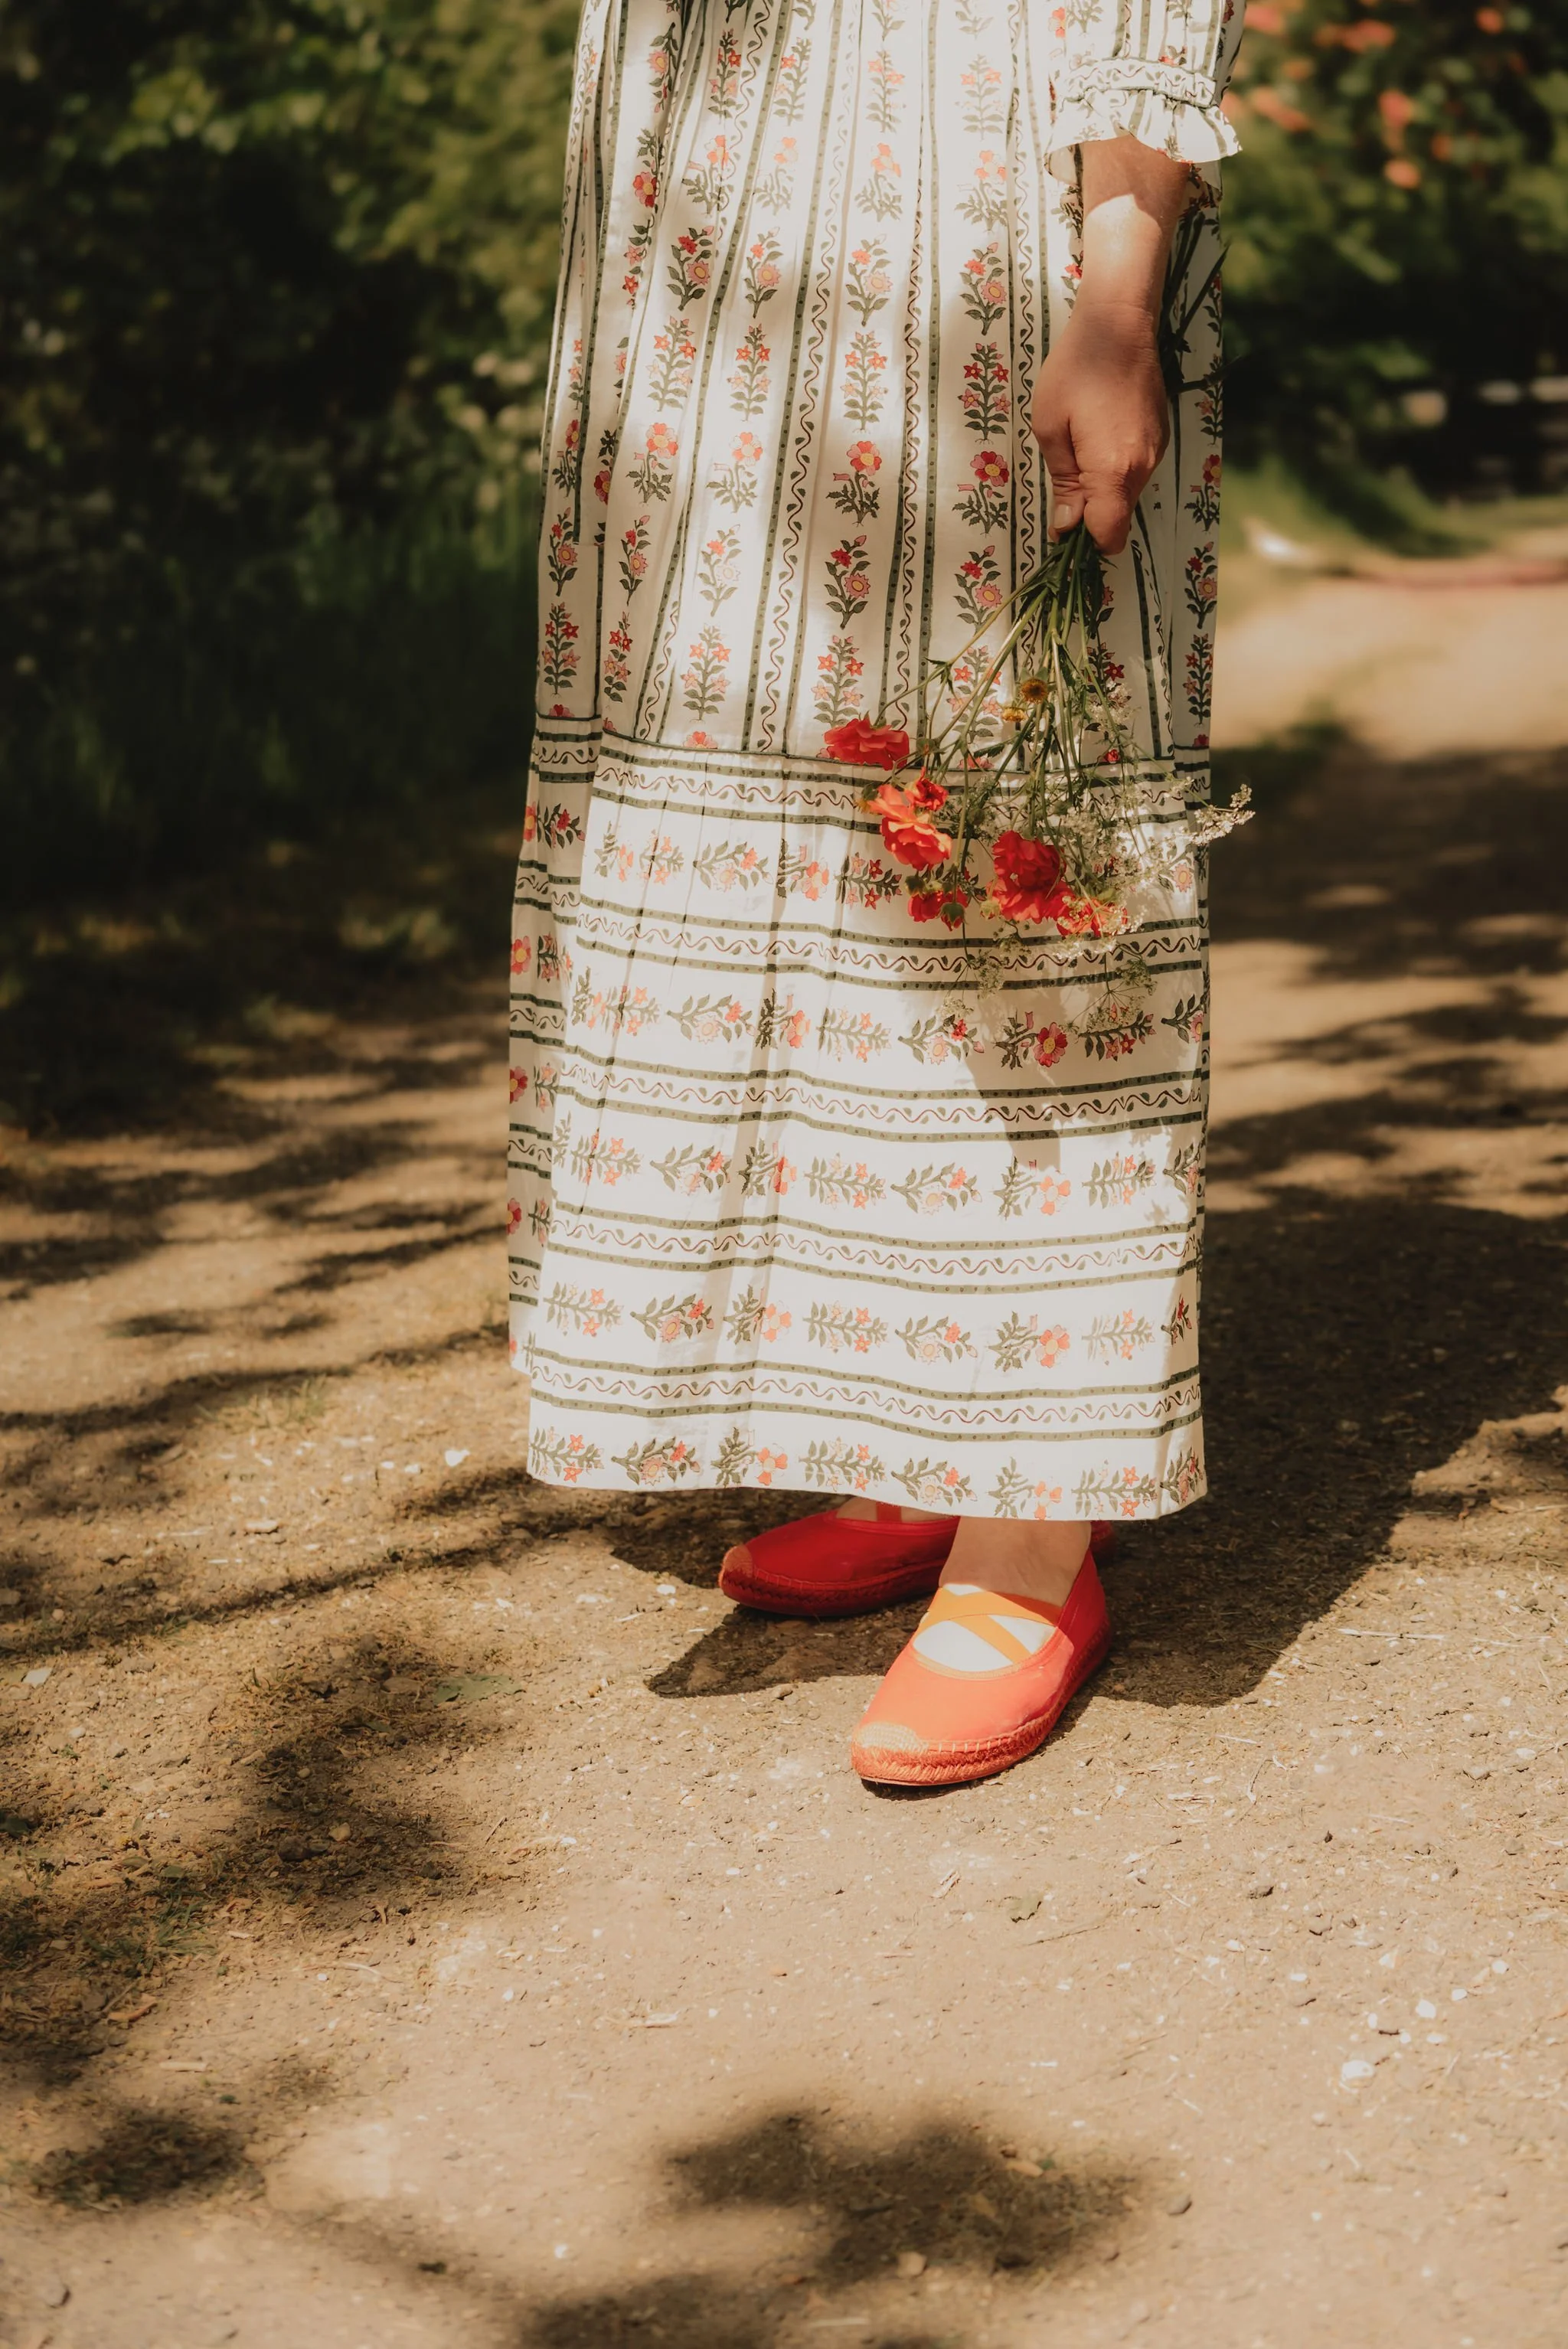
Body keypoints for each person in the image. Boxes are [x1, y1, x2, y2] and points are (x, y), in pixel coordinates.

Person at [508, 0, 1244, 1786]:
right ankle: (935, 1440)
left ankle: (1034, 1526)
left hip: (970, 266)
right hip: (713, 297)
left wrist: (1116, 290)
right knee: (799, 805)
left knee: (1009, 850)